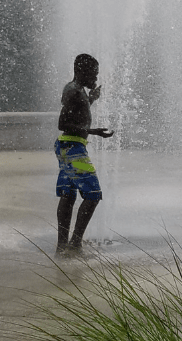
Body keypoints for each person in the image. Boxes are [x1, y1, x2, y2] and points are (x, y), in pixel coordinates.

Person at [55, 53, 114, 257]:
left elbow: (77, 113)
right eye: (93, 74)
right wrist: (93, 131)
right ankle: (74, 245)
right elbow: (63, 124)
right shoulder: (73, 92)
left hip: (67, 147)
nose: (96, 79)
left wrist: (91, 99)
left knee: (68, 194)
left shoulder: (78, 91)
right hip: (73, 149)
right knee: (93, 194)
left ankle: (62, 246)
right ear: (81, 71)